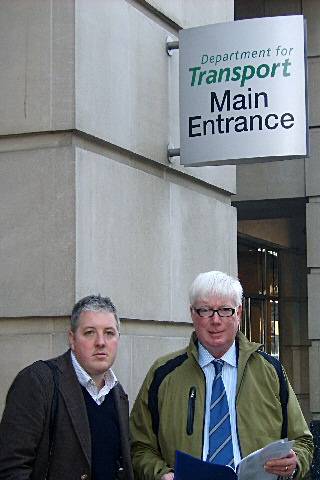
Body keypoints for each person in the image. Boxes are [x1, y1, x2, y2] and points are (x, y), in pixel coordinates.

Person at [130, 270, 313, 480]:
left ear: (239, 313)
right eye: (205, 310)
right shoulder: (163, 374)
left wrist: (294, 462)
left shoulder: (270, 371)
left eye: (225, 310)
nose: (216, 320)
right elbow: (139, 446)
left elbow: (303, 441)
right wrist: (161, 475)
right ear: (192, 314)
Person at [0, 294, 134, 480]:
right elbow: (11, 467)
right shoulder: (38, 382)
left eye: (109, 333)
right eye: (89, 332)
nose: (101, 342)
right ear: (72, 339)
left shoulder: (118, 394)